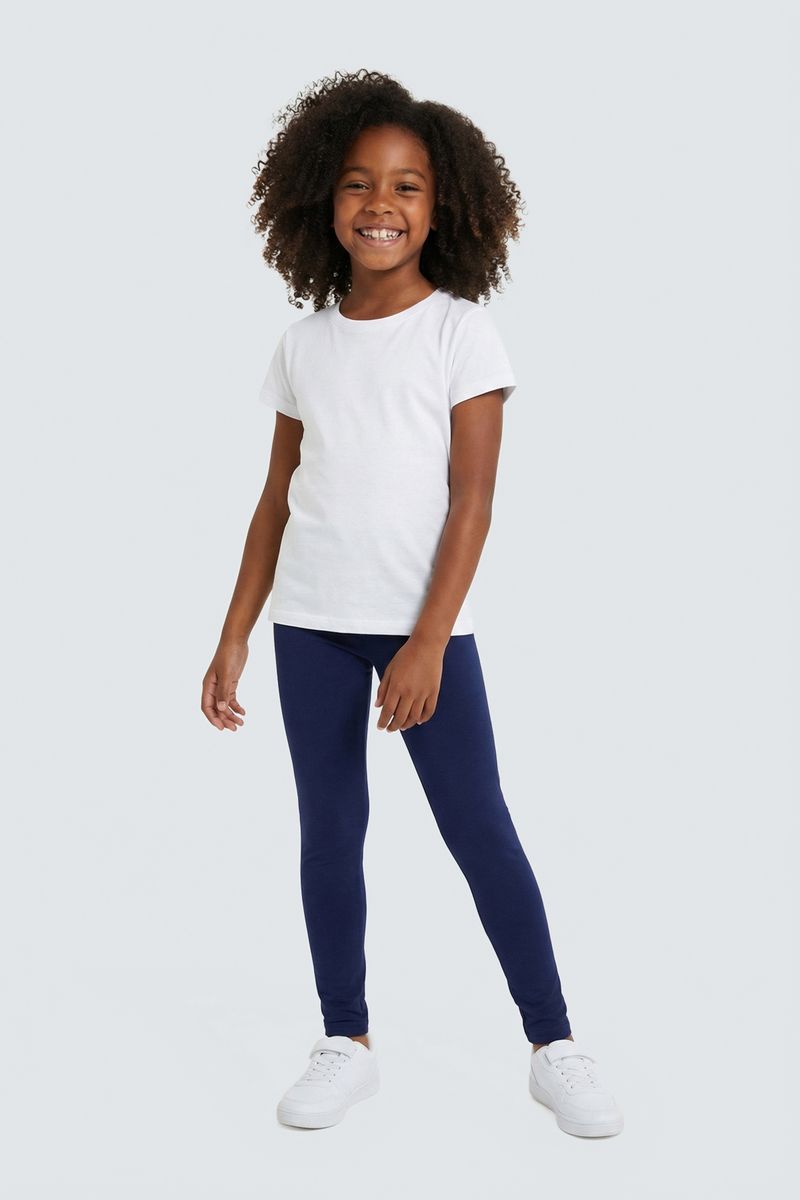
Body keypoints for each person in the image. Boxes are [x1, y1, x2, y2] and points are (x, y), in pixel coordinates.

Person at [201, 69, 623, 1139]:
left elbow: (472, 500)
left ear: (444, 207)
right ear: (321, 198)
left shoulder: (460, 334)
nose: (379, 203)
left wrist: (427, 640)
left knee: (479, 827)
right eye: (357, 182)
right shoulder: (304, 343)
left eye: (406, 186)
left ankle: (554, 1044)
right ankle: (344, 1041)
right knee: (329, 830)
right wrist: (233, 635)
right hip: (310, 627)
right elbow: (274, 500)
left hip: (422, 630)